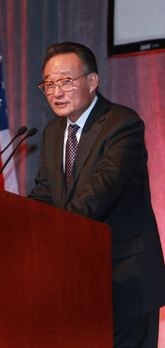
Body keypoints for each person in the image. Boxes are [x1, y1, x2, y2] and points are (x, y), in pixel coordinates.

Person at [28, 41, 165, 347]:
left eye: (66, 80)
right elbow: (44, 196)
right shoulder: (52, 133)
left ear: (92, 81)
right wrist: (11, 223)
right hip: (75, 282)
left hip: (125, 280)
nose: (56, 91)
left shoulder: (122, 125)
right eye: (48, 84)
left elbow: (99, 194)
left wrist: (49, 231)